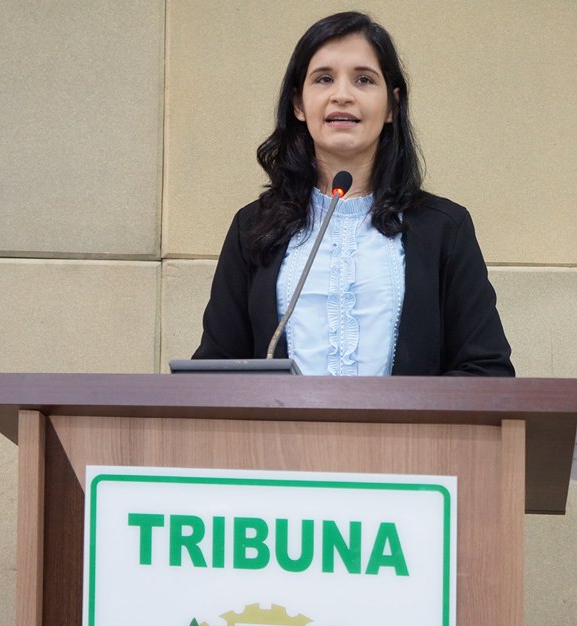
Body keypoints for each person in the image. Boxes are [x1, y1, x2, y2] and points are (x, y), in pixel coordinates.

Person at [193, 11, 514, 377]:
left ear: (392, 105)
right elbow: (213, 375)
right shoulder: (252, 227)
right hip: (282, 435)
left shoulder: (444, 229)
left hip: (409, 436)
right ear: (299, 104)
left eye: (363, 79)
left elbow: (487, 371)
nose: (341, 95)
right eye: (324, 79)